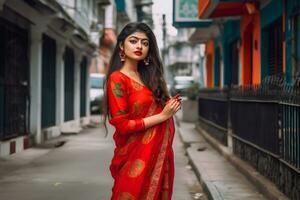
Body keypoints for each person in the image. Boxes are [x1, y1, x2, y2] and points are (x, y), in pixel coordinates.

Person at [103, 22, 181, 200]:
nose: (139, 46)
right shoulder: (117, 79)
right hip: (132, 157)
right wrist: (163, 116)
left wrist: (170, 106)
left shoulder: (150, 78)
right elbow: (123, 125)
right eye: (133, 41)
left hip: (156, 156)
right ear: (122, 45)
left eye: (145, 43)